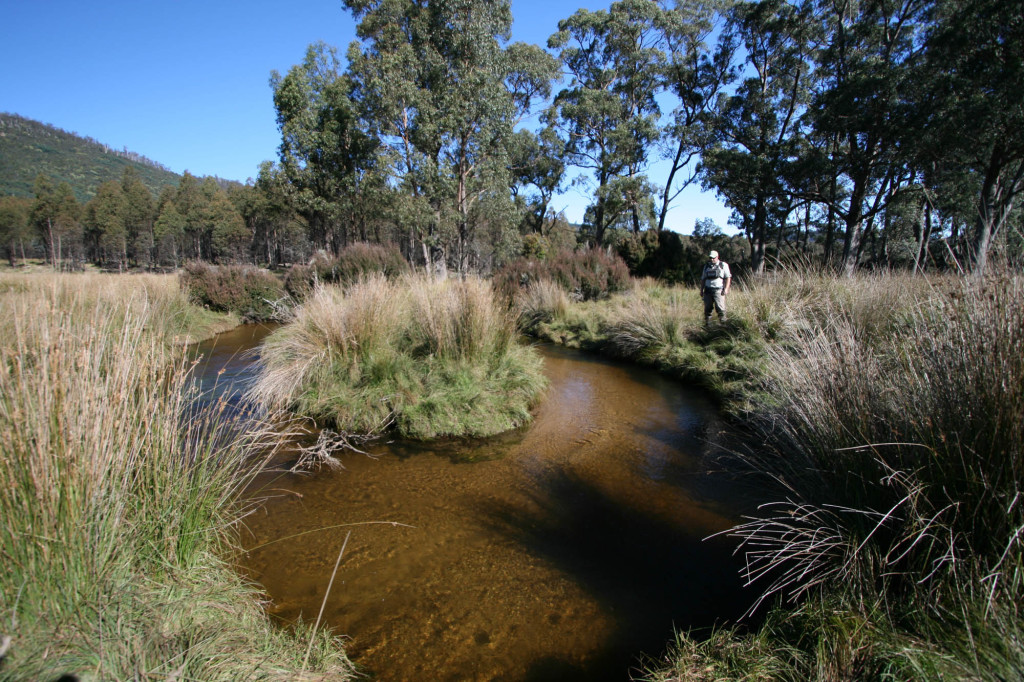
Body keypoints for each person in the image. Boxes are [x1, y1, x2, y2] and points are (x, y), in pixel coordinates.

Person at [699, 250, 731, 326]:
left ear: (717, 257)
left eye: (713, 258)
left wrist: (726, 289)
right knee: (707, 309)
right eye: (710, 258)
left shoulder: (723, 265)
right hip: (707, 290)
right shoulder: (706, 266)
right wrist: (701, 290)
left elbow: (728, 277)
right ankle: (707, 325)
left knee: (720, 309)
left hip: (718, 291)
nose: (712, 259)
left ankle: (723, 326)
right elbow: (703, 279)